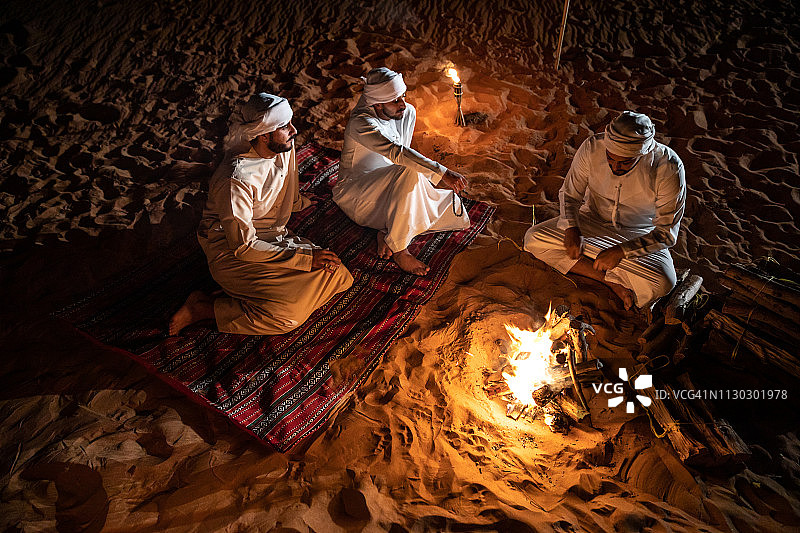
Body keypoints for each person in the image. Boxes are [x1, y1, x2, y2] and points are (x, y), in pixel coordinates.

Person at [169, 93, 353, 335]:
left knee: (339, 276)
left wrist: (302, 202)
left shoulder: (284, 145)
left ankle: (259, 294)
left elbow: (288, 188)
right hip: (233, 251)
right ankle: (205, 308)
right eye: (285, 127)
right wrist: (306, 260)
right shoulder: (235, 178)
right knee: (287, 317)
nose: (294, 130)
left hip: (273, 238)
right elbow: (244, 246)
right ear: (264, 134)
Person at [524, 111, 686, 310]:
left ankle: (603, 264)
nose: (615, 166)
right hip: (591, 221)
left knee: (663, 282)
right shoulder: (592, 148)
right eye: (610, 159)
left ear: (641, 153)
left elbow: (667, 234)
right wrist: (571, 227)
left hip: (637, 234)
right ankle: (609, 280)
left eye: (625, 162)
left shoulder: (668, 166)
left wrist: (621, 251)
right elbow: (570, 194)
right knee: (533, 238)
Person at [333, 67, 470, 276]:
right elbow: (397, 153)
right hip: (357, 195)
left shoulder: (403, 111)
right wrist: (442, 172)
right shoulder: (361, 123)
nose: (402, 104)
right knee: (410, 172)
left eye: (402, 97)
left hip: (389, 184)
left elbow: (401, 154)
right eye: (395, 100)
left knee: (410, 117)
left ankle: (386, 229)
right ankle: (399, 248)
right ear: (377, 104)